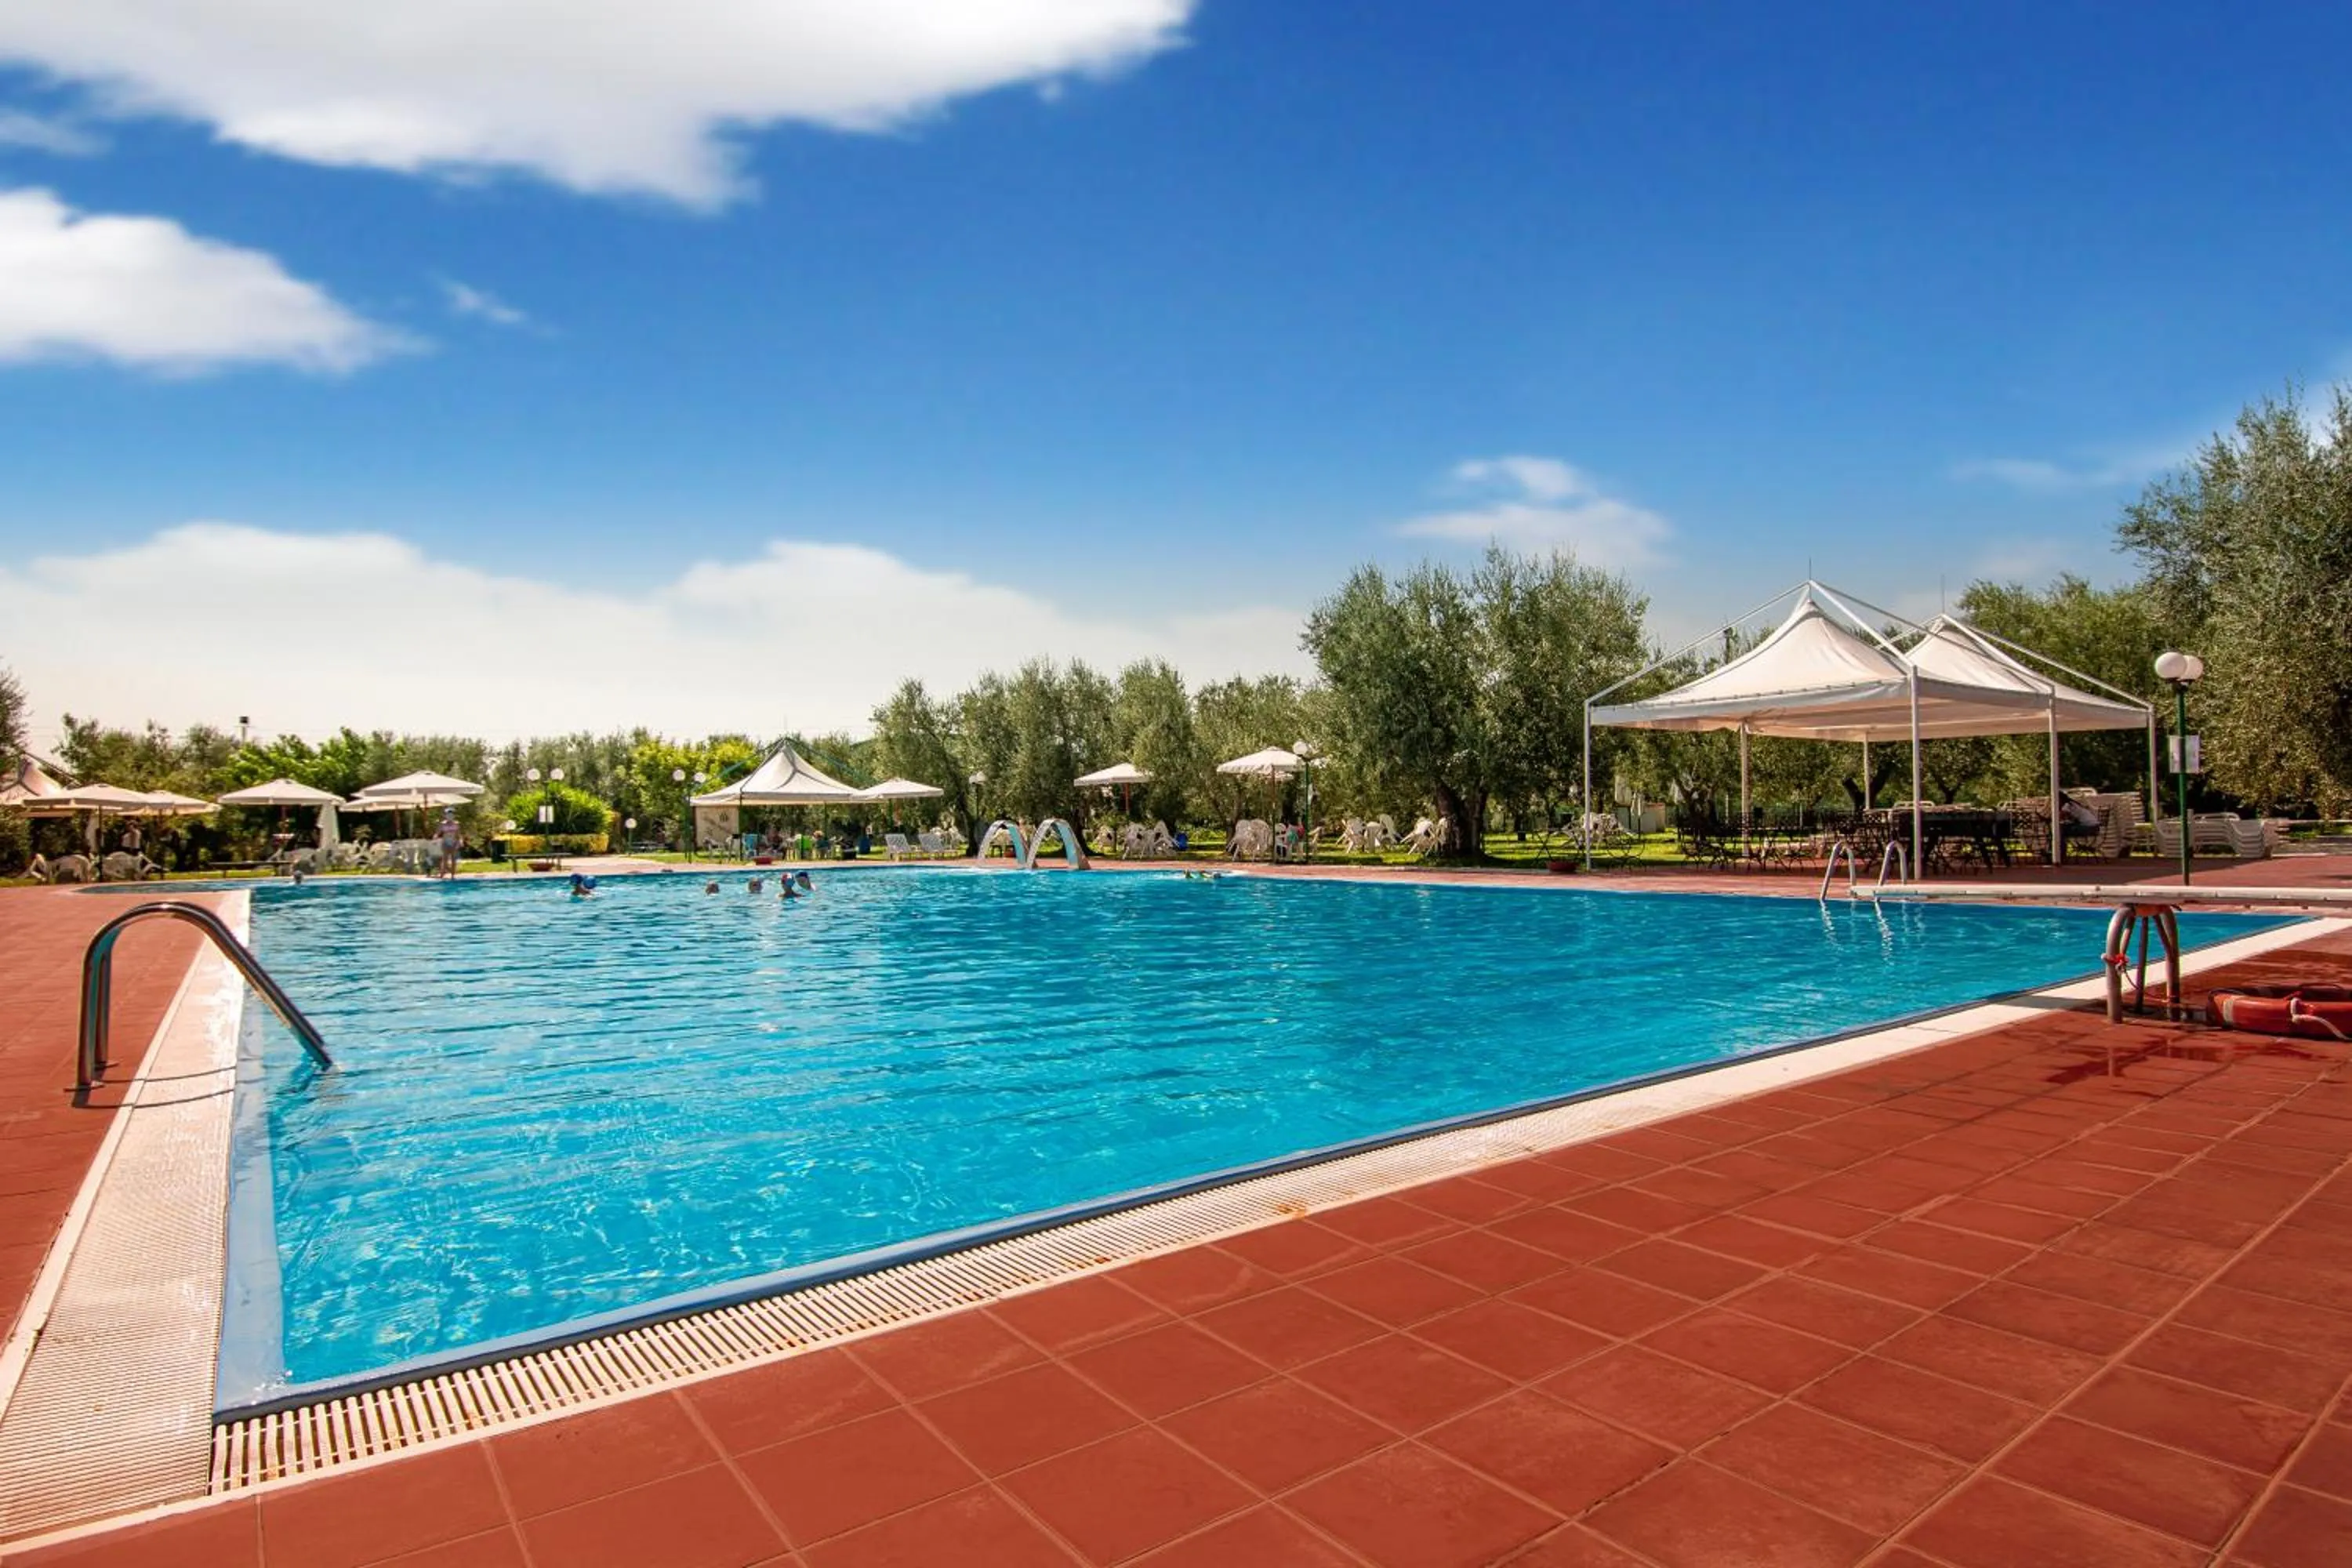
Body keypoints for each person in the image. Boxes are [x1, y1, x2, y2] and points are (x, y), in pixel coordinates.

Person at [436, 809, 463, 879]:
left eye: (451, 815)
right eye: (448, 815)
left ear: (453, 816)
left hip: (454, 843)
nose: (450, 816)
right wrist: (435, 838)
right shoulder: (442, 824)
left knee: (454, 859)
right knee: (445, 859)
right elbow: (438, 833)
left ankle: (453, 875)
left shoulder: (456, 824)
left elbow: (459, 834)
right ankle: (442, 874)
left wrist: (461, 841)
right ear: (445, 816)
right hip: (445, 842)